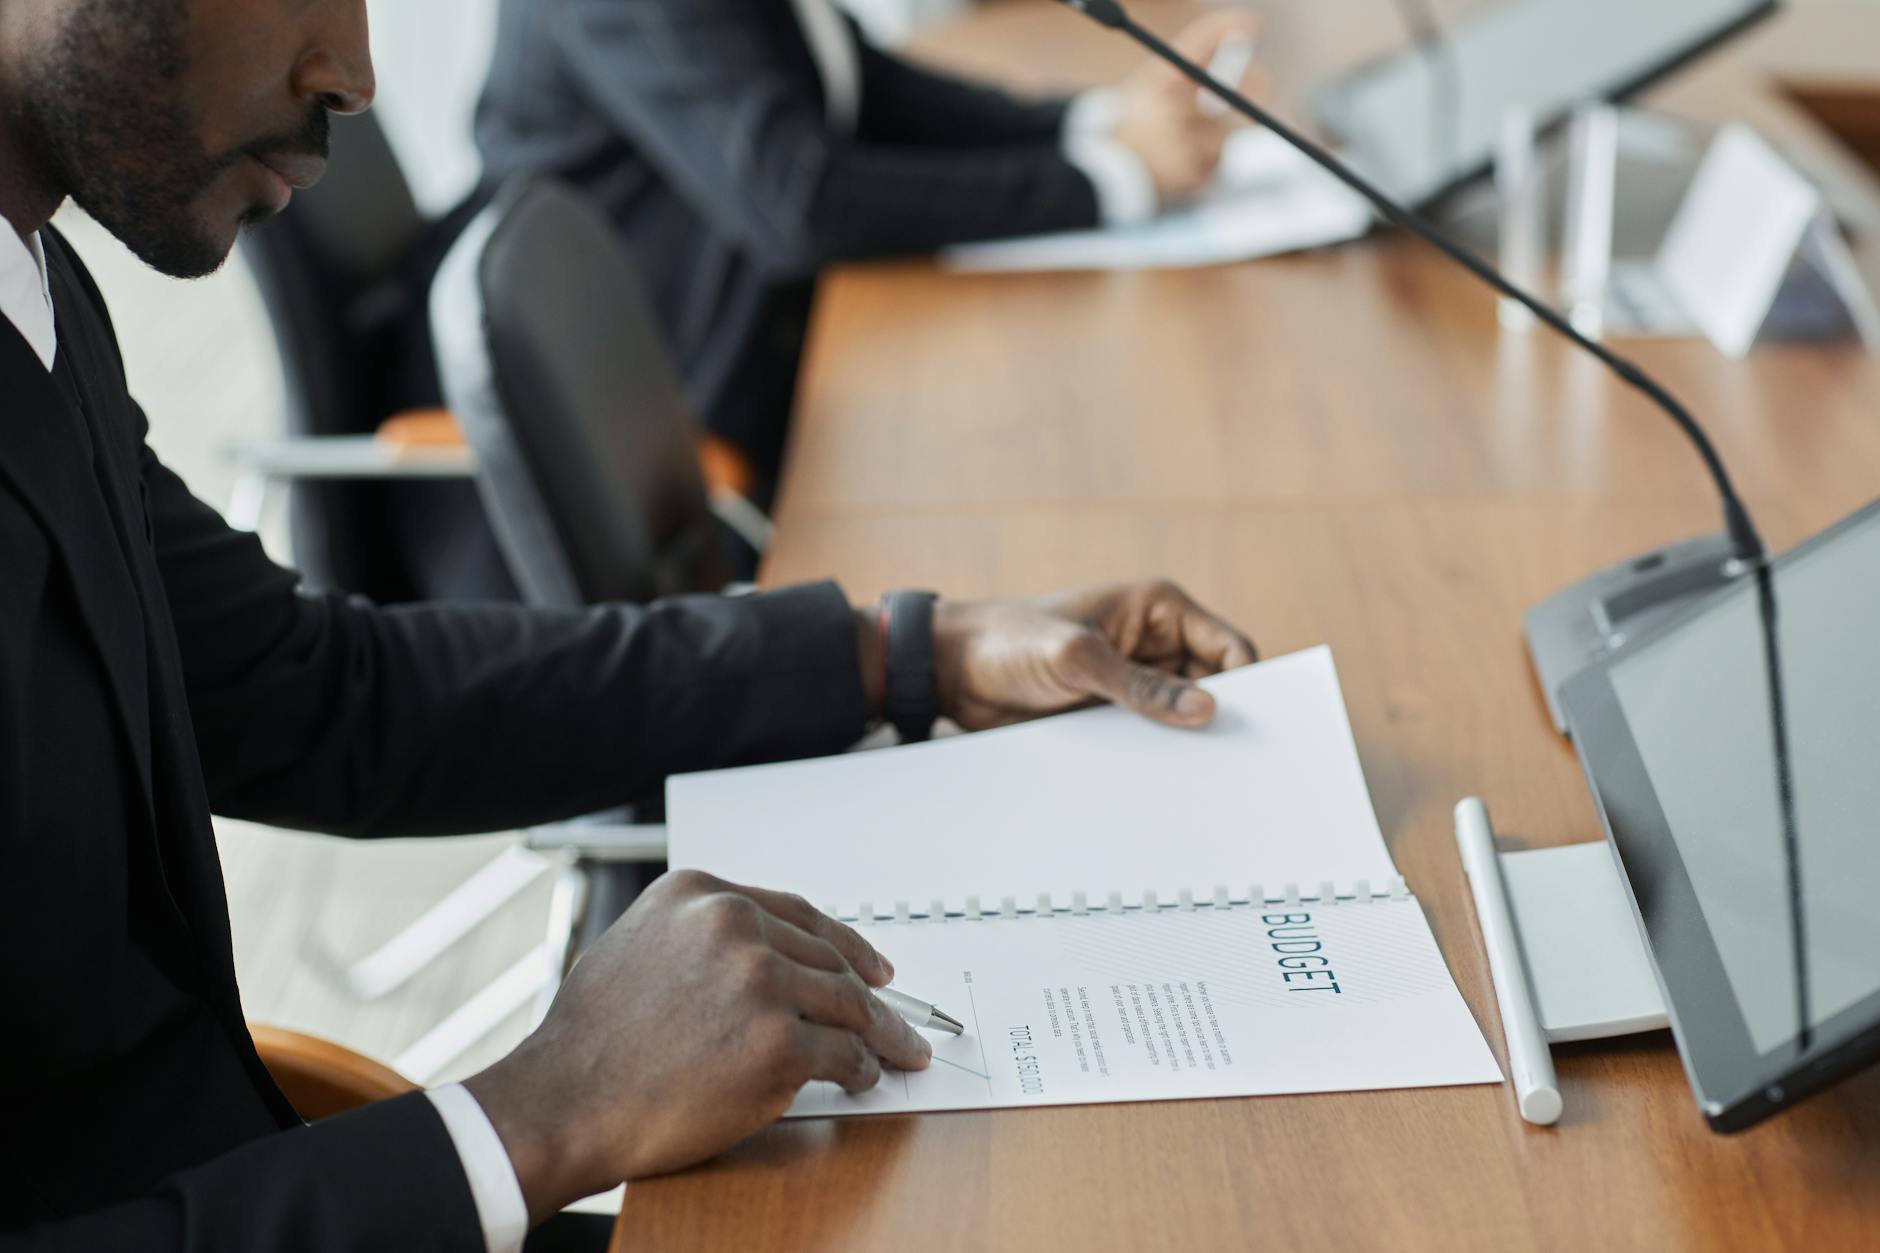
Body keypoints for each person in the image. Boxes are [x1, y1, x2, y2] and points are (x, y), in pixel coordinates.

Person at [0, 2, 1258, 1249]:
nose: (359, 72)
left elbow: (319, 692)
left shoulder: (34, 288)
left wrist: (896, 654)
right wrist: (541, 1113)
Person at [474, 0, 1257, 491]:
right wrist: (1107, 179)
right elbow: (801, 203)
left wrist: (1091, 125)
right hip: (693, 396)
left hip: (787, 336)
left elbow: (864, 87)